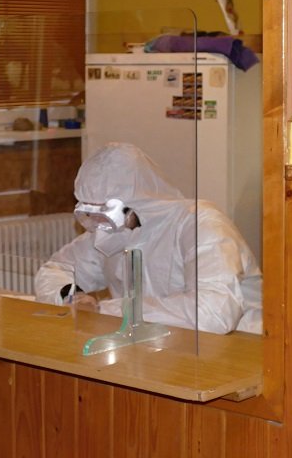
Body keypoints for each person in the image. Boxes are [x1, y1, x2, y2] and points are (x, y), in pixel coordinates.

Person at [34, 142, 262, 335]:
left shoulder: (200, 224)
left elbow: (214, 313)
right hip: (162, 346)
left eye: (104, 212)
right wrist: (72, 298)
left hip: (242, 347)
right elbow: (56, 269)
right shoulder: (111, 231)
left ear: (137, 202)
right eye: (90, 213)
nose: (96, 223)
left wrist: (107, 310)